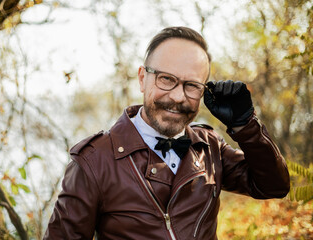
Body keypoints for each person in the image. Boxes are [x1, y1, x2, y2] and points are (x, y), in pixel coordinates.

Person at [44, 26, 290, 240]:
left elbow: (274, 186)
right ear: (143, 79)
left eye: (191, 85)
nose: (177, 97)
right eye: (166, 79)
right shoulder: (93, 159)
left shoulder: (210, 146)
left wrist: (245, 125)